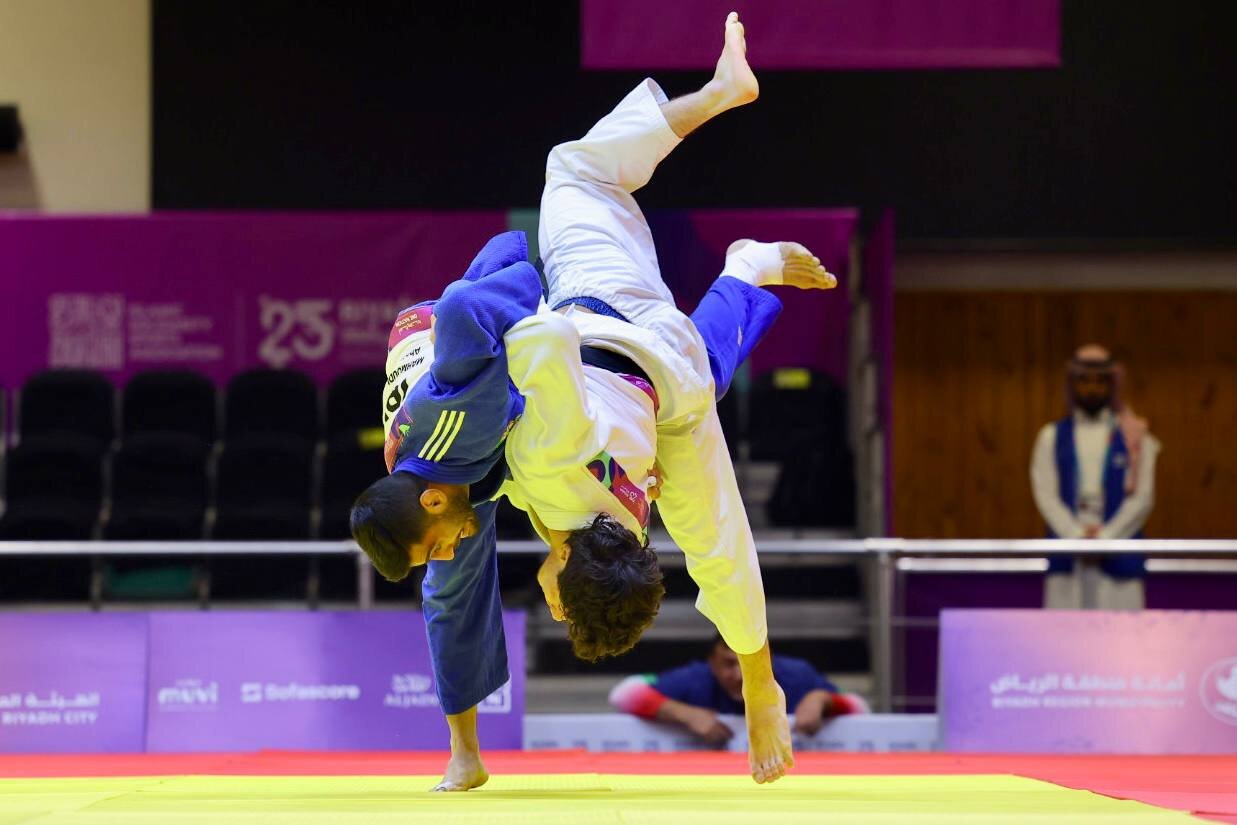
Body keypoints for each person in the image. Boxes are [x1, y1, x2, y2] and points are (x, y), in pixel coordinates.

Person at [352, 12, 835, 790]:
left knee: (714, 525)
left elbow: (713, 550)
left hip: (661, 373)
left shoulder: (616, 529)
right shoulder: (541, 458)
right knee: (573, 171)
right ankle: (726, 145)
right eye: (564, 608)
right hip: (613, 326)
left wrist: (507, 328)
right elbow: (543, 345)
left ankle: (744, 257)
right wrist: (518, 321)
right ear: (565, 564)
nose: (550, 608)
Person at [1030, 343, 1161, 609]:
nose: (1092, 388)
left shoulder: (1136, 438)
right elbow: (1045, 494)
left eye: (1100, 381)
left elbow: (1143, 498)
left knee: (1122, 631)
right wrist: (1076, 536)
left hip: (1119, 550)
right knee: (1063, 630)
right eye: (1084, 380)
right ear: (1072, 384)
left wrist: (1105, 539)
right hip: (1068, 552)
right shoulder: (1050, 437)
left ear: (1112, 384)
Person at [610, 637, 869, 747]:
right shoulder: (696, 678)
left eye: (750, 664)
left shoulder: (796, 675)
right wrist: (683, 713)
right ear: (712, 663)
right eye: (729, 664)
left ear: (768, 660)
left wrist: (823, 700)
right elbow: (624, 693)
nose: (739, 676)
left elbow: (859, 706)